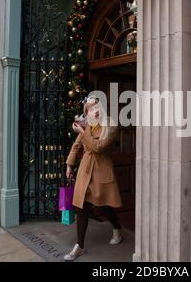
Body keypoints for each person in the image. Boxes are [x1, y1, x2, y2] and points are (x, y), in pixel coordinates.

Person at [63, 96, 123, 261]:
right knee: (82, 208)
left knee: (103, 207)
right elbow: (76, 146)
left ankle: (117, 228)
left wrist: (83, 132)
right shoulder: (88, 125)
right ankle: (79, 246)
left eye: (96, 107)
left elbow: (99, 147)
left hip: (101, 171)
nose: (94, 110)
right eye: (90, 108)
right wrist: (69, 165)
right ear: (86, 112)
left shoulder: (110, 125)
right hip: (85, 171)